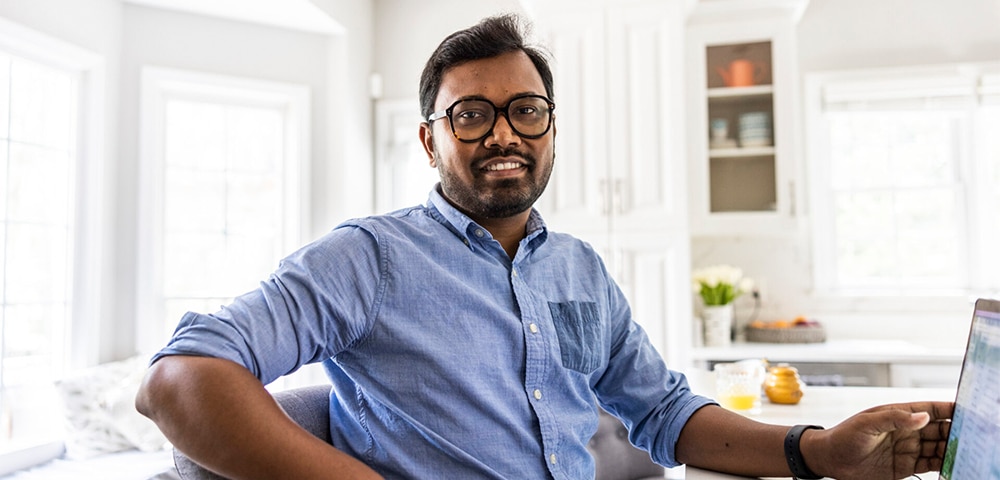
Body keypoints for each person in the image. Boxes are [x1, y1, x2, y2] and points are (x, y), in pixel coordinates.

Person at [136, 13, 952, 480]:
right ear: (429, 142)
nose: (502, 134)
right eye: (470, 115)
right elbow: (176, 381)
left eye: (526, 110)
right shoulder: (369, 258)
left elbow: (665, 414)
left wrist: (820, 452)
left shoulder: (581, 272)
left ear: (551, 131)